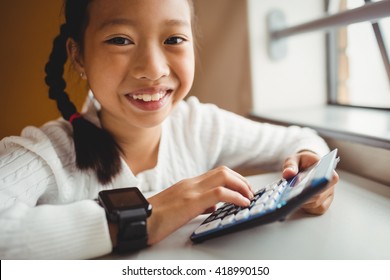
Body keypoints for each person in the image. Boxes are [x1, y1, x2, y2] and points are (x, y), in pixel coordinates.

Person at [0, 0, 338, 259]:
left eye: (174, 38)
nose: (153, 68)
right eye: (120, 40)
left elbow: (300, 138)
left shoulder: (199, 125)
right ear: (79, 57)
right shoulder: (45, 152)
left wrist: (309, 169)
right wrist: (147, 216)